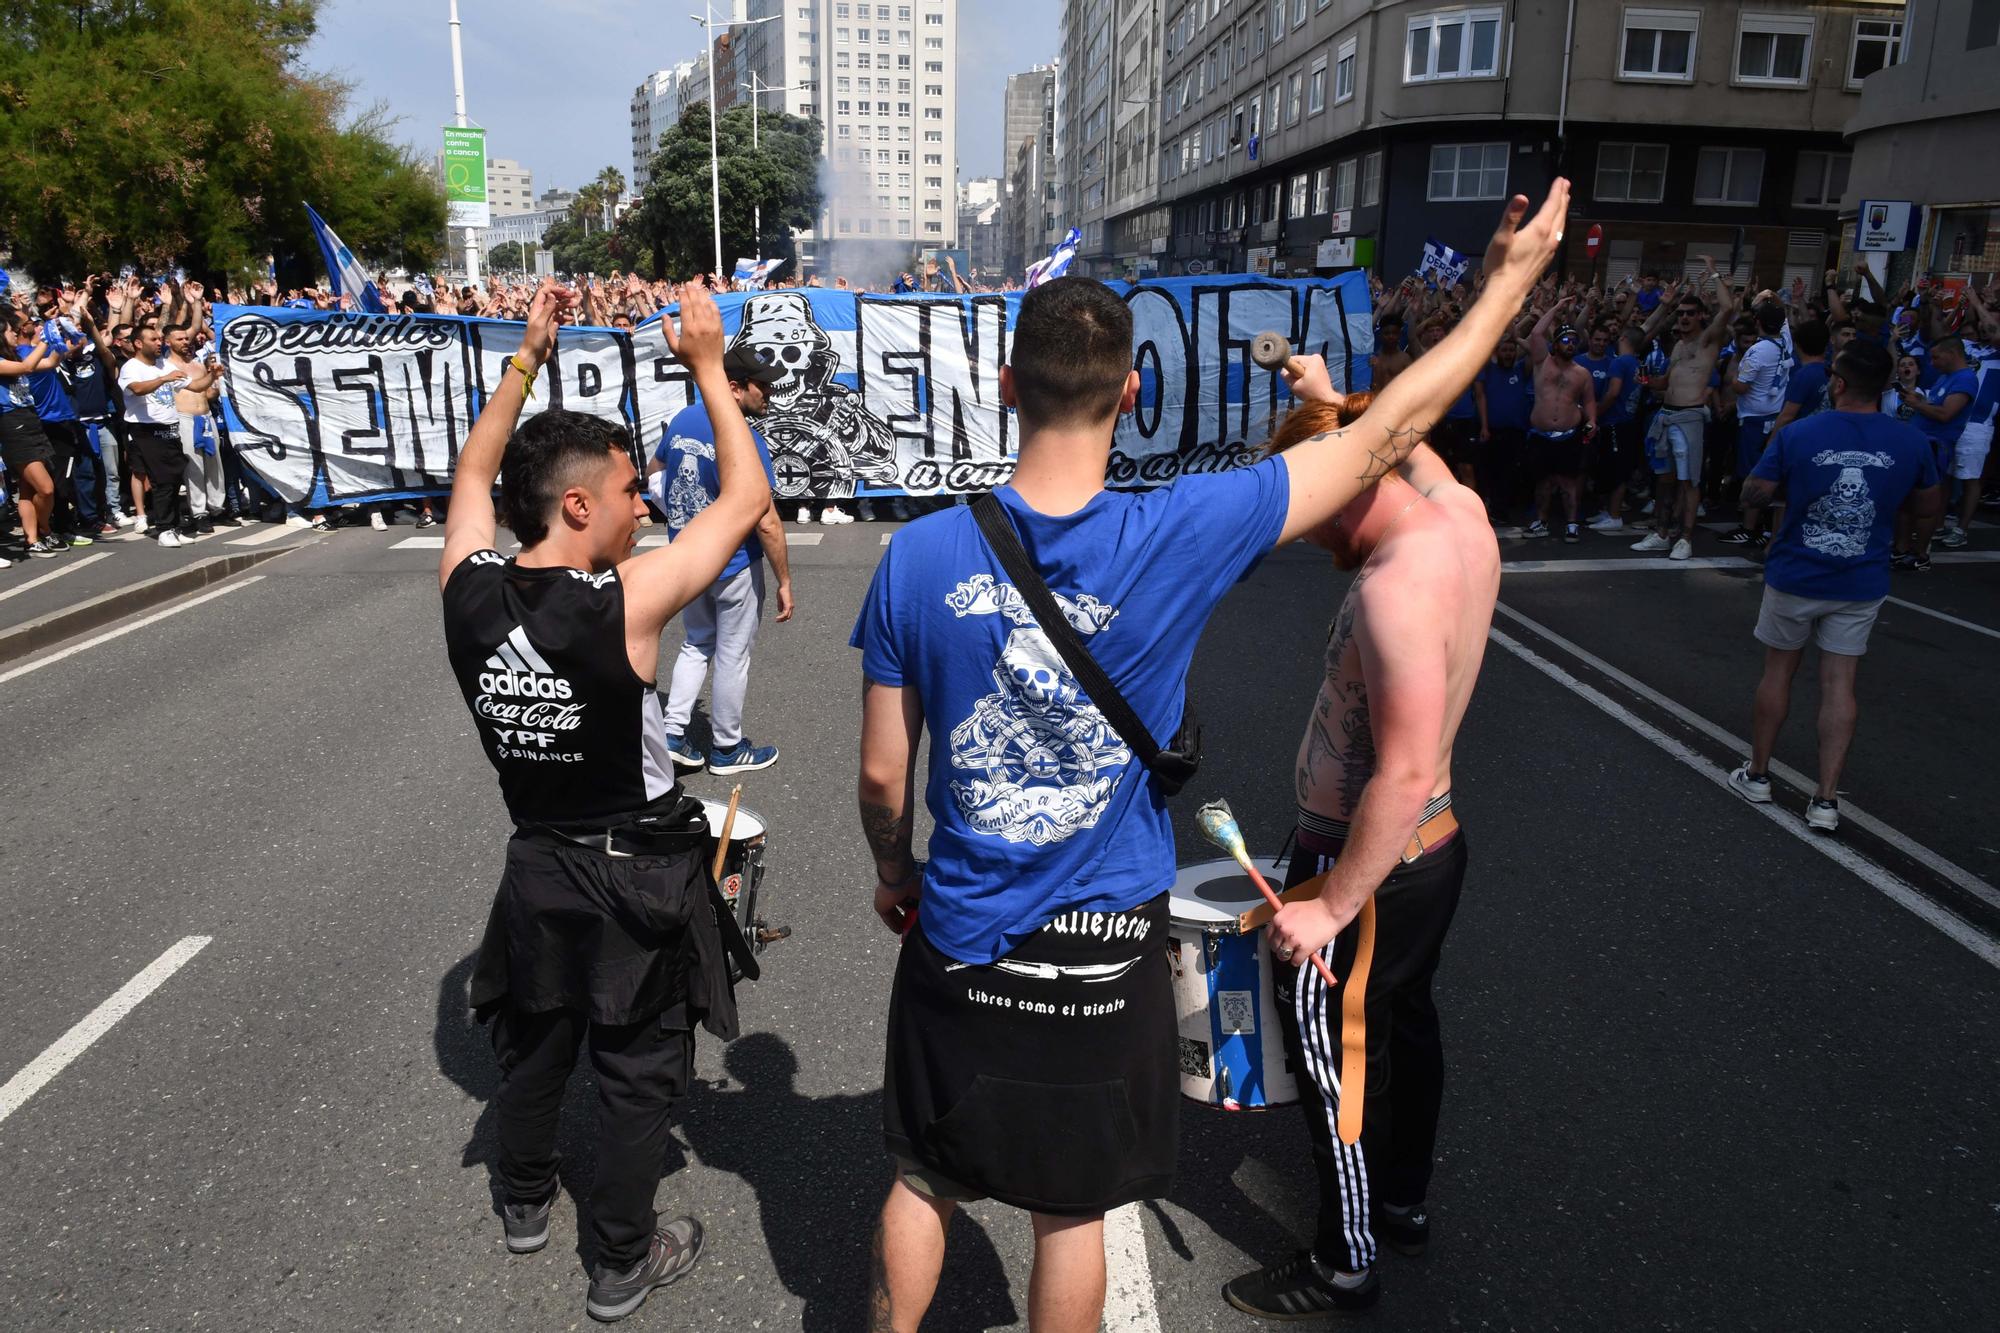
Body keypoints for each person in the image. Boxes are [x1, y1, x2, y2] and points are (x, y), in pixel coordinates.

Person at [851, 183, 1569, 1333]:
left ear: (1002, 390)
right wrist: (1505, 288)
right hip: (1100, 941)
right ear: (1131, 394)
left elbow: (886, 777)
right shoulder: (1182, 525)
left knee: (922, 1175)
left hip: (962, 923)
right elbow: (1386, 436)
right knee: (1067, 1211)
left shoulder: (917, 553)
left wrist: (895, 871)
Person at [438, 279, 771, 1323]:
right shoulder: (623, 600)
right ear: (578, 504)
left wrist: (524, 360)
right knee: (633, 1073)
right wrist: (711, 370)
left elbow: (471, 471)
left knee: (535, 1042)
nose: (646, 504)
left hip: (537, 863)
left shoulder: (466, 587)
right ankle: (620, 1260)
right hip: (637, 877)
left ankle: (525, 1199)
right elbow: (742, 499)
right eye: (631, 489)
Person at [1221, 410, 1499, 1319]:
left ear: (1351, 479)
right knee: (1406, 1023)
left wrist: (1332, 904)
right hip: (1431, 851)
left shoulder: (1396, 589)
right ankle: (1403, 1199)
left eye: (1309, 509)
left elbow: (1406, 769)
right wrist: (1337, 401)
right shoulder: (1461, 517)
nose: (1304, 530)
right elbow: (1405, 434)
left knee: (1326, 1045)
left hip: (1368, 865)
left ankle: (1346, 1257)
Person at [1726, 341, 1941, 832]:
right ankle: (1825, 799)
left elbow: (1752, 493)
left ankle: (1759, 773)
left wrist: (1794, 488)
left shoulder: (1801, 433)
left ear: (1838, 384)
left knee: (1778, 672)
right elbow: (1929, 508)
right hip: (1861, 578)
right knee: (1840, 683)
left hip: (1797, 571)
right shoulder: (1910, 440)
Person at [646, 345, 795, 775]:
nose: (768, 393)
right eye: (760, 386)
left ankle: (673, 733)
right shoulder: (744, 438)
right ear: (733, 387)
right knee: (732, 654)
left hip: (688, 557)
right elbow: (766, 519)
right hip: (733, 564)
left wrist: (678, 514)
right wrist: (784, 579)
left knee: (696, 643)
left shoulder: (683, 419)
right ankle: (727, 748)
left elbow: (654, 470)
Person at [1632, 265, 1735, 560]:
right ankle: (1662, 532)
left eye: (1690, 313)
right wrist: (1648, 381)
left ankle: (1685, 538)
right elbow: (1666, 382)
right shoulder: (1678, 345)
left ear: (1701, 316)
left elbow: (1727, 308)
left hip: (1689, 418)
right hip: (1666, 414)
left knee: (1689, 481)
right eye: (1681, 314)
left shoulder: (1708, 341)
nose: (1685, 318)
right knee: (1664, 481)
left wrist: (1715, 275)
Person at [117, 319, 209, 547]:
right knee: (162, 481)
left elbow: (195, 386)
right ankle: (164, 529)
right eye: (154, 339)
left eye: (160, 339)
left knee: (175, 476)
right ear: (138, 343)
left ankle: (175, 527)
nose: (159, 343)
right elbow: (137, 389)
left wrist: (213, 375)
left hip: (170, 428)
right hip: (146, 430)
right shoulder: (132, 367)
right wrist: (163, 379)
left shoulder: (163, 365)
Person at [1893, 335, 1976, 568]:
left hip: (1935, 446)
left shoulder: (1965, 379)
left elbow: (1946, 414)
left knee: (1925, 501)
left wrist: (1916, 404)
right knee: (1907, 499)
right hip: (1921, 443)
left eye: (1936, 357)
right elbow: (1935, 406)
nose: (1932, 362)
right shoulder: (1946, 377)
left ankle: (1920, 555)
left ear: (1952, 353)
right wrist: (1919, 400)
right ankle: (1901, 549)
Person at [1523, 302, 1597, 542]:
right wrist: (1556, 306)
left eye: (1574, 341)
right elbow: (1536, 333)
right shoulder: (1541, 361)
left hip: (1568, 435)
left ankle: (1572, 524)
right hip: (1541, 434)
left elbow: (1588, 402)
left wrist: (1593, 420)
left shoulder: (1582, 373)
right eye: (1565, 340)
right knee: (1542, 482)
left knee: (1568, 483)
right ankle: (1542, 522)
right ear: (1555, 344)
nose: (1571, 344)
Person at [1721, 302, 1793, 547]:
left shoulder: (1758, 350)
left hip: (1755, 418)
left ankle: (1750, 528)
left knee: (1753, 472)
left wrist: (1731, 377)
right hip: (1773, 414)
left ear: (1759, 323)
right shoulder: (1784, 343)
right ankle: (1762, 526)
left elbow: (1741, 385)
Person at [1, 315, 65, 558]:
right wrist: (44, 341)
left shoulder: (14, 357)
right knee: (46, 488)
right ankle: (45, 529)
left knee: (28, 490)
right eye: (10, 331)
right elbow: (27, 367)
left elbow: (49, 364)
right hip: (11, 425)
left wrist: (60, 342)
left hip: (30, 422)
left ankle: (32, 539)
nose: (16, 334)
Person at [1472, 334, 1532, 533]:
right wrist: (1484, 426)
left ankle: (1501, 510)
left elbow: (1534, 351)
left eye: (1511, 350)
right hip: (1493, 431)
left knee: (1509, 473)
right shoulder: (1488, 370)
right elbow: (1480, 397)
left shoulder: (1522, 369)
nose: (1508, 354)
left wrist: (1515, 335)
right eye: (1504, 350)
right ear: (1497, 352)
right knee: (1490, 472)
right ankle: (1490, 510)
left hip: (1516, 431)